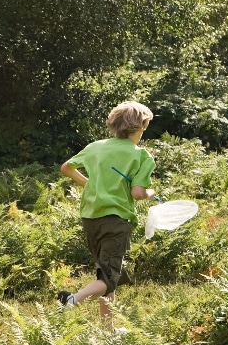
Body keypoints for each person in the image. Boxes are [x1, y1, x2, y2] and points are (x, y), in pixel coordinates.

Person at [57, 100, 155, 324]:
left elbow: (66, 168)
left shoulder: (96, 147)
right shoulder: (141, 156)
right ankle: (73, 300)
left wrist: (88, 184)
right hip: (116, 220)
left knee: (104, 273)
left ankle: (107, 330)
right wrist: (151, 192)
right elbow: (138, 193)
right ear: (140, 127)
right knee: (109, 277)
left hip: (90, 218)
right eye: (145, 127)